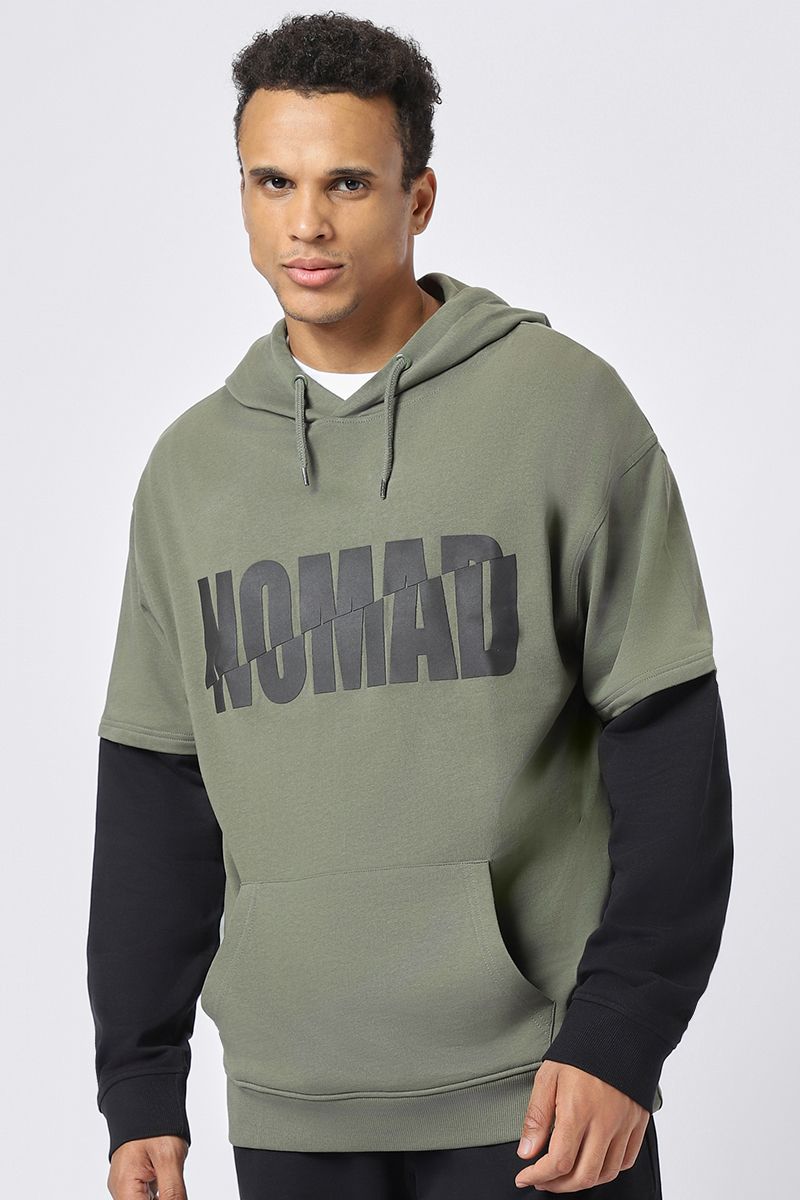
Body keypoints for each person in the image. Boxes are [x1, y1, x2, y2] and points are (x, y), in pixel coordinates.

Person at [86, 11, 734, 1199]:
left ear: (417, 197)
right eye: (273, 182)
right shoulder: (190, 473)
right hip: (289, 1102)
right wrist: (139, 1086)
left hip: (542, 1100)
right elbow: (153, 796)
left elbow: (670, 750)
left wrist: (621, 1036)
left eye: (347, 182)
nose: (306, 223)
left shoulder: (564, 412)